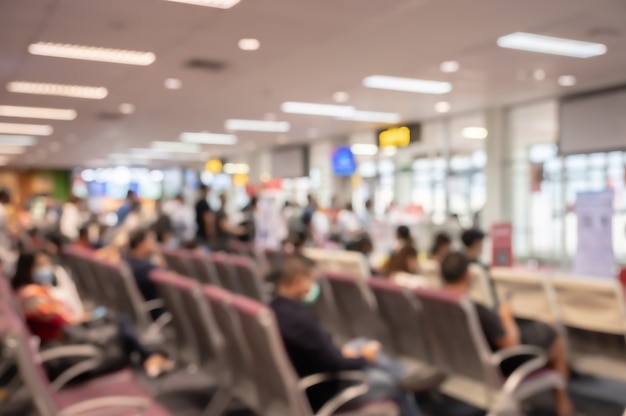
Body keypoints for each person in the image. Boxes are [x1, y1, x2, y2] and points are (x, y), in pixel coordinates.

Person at [270, 255, 421, 416]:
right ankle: (405, 381)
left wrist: (348, 354)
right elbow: (335, 364)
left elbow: (322, 353)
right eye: (312, 281)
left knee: (361, 343)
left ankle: (405, 374)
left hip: (318, 371)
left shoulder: (275, 309)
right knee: (389, 383)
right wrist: (364, 358)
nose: (313, 287)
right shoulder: (299, 320)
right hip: (327, 389)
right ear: (299, 280)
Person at [440, 252, 578, 416]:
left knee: (545, 331)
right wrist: (506, 315)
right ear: (467, 275)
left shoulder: (436, 305)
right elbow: (511, 344)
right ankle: (564, 406)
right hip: (496, 366)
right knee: (555, 337)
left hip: (461, 364)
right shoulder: (471, 308)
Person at [12, 250, 172, 377]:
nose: (46, 268)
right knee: (119, 322)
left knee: (114, 318)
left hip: (67, 335)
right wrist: (82, 317)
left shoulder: (30, 292)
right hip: (66, 343)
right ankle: (149, 358)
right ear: (28, 268)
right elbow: (62, 322)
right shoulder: (31, 296)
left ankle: (148, 357)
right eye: (41, 265)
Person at [126, 229, 163, 319]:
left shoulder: (127, 263)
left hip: (137, 315)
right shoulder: (147, 269)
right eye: (151, 240)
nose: (154, 244)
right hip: (156, 313)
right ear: (142, 243)